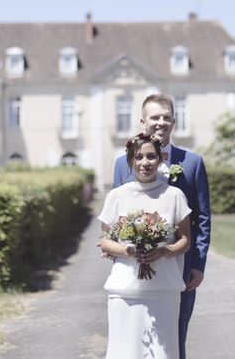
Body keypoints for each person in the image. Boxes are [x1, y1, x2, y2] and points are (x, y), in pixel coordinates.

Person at [113, 93, 211, 359]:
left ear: (174, 121)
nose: (161, 122)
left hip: (180, 268)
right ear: (142, 121)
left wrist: (197, 265)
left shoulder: (192, 163)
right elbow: (115, 221)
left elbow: (202, 219)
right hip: (134, 267)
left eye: (167, 117)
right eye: (155, 117)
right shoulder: (122, 164)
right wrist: (120, 252)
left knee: (173, 338)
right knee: (132, 338)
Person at [98, 133, 192, 359]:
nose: (145, 162)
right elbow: (105, 241)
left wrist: (163, 251)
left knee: (163, 352)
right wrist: (128, 251)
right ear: (130, 161)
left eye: (151, 156)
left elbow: (185, 240)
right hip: (125, 288)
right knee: (125, 351)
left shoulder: (174, 195)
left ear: (160, 160)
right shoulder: (116, 196)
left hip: (164, 287)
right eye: (138, 157)